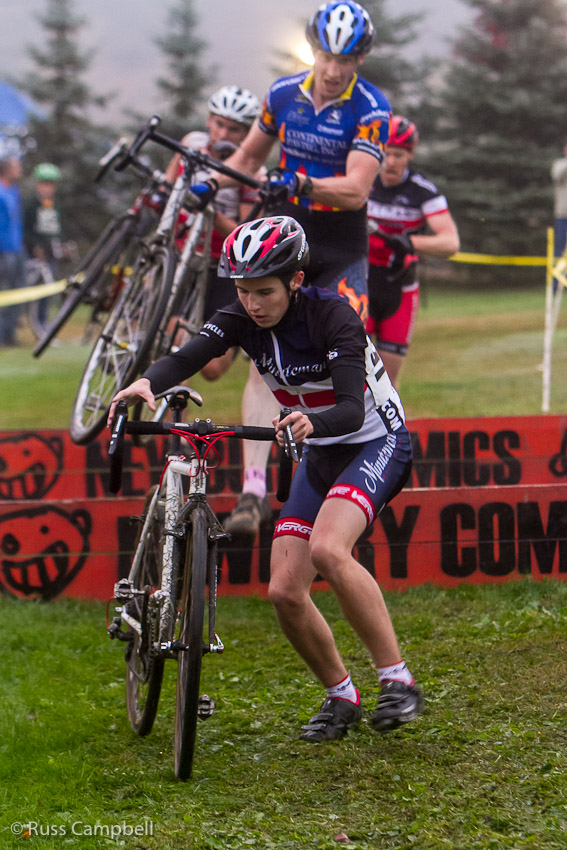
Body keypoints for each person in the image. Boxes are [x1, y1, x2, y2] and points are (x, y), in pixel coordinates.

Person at [109, 215, 423, 742]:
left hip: (373, 441)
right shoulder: (241, 316)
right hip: (318, 448)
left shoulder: (334, 316)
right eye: (242, 290)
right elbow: (190, 356)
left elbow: (351, 409)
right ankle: (341, 695)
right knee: (284, 590)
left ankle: (398, 682)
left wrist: (310, 423)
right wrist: (147, 382)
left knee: (329, 550)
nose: (252, 304)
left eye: (264, 291)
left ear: (295, 280)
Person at [191, 1, 392, 539]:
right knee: (265, 361)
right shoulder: (282, 94)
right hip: (286, 234)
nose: (333, 69)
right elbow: (248, 160)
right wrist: (212, 182)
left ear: (360, 59)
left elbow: (357, 189)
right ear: (313, 50)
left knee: (346, 351)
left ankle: (353, 475)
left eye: (345, 60)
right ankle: (253, 491)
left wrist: (302, 181)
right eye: (326, 55)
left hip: (338, 242)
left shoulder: (371, 107)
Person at [163, 85, 262, 380]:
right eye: (219, 124)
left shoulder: (251, 173)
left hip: (221, 267)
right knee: (166, 332)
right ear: (208, 119)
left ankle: (231, 336)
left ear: (247, 134)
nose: (223, 133)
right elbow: (167, 187)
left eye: (234, 129)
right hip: (182, 255)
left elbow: (246, 236)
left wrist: (210, 212)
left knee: (212, 369)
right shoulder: (191, 144)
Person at [366, 116, 461, 388]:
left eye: (398, 155)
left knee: (386, 383)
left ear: (410, 155)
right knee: (353, 374)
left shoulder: (422, 191)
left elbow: (450, 243)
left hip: (399, 288)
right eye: (385, 154)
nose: (390, 162)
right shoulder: (363, 181)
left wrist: (409, 242)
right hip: (360, 284)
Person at [23, 162, 64, 334]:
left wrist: (60, 246)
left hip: (51, 255)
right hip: (34, 257)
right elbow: (25, 229)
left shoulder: (55, 205)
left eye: (51, 183)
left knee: (48, 291)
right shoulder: (31, 204)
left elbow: (57, 230)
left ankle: (44, 324)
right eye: (44, 183)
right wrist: (34, 247)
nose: (47, 187)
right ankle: (32, 323)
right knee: (33, 291)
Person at [0, 157, 25, 346]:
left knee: (18, 293)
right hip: (3, 251)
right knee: (4, 292)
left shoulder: (15, 191)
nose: (20, 170)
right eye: (16, 167)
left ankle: (10, 336)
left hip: (17, 249)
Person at [551, 139, 567, 289]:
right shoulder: (560, 164)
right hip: (563, 215)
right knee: (560, 249)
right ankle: (556, 284)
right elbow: (557, 176)